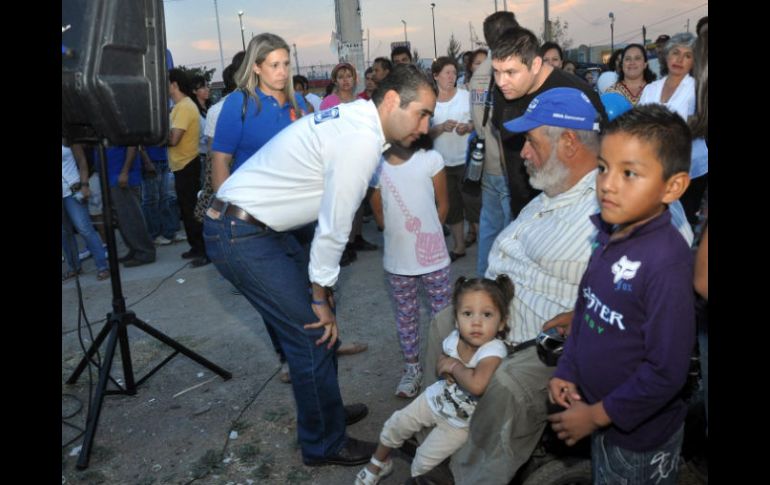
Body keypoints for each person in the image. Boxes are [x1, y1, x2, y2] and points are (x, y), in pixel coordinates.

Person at [420, 87, 693, 484]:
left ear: (568, 142)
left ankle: (469, 474)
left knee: (509, 384)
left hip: (546, 344)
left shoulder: (635, 211)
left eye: (531, 142)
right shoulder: (557, 192)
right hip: (510, 320)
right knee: (443, 322)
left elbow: (662, 339)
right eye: (605, 168)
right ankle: (439, 431)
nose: (523, 153)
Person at [203, 64, 437, 467]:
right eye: (422, 113)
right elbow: (334, 225)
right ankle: (324, 444)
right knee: (313, 331)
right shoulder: (361, 139)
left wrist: (322, 293)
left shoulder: (360, 120)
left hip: (260, 228)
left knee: (322, 328)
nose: (426, 126)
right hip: (240, 233)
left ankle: (325, 410)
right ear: (392, 101)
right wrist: (318, 296)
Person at [548, 103, 695, 485]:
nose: (607, 184)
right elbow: (586, 308)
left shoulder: (666, 263)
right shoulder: (610, 232)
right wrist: (568, 369)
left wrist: (595, 416)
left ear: (673, 187)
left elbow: (666, 372)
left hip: (639, 442)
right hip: (599, 415)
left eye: (629, 173)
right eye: (603, 168)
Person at [355, 275, 513, 485]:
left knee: (423, 464)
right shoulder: (455, 338)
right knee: (395, 424)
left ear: (501, 322)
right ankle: (378, 463)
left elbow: (477, 385)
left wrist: (454, 367)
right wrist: (446, 369)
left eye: (487, 314)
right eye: (467, 313)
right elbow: (441, 362)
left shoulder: (493, 351)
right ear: (456, 319)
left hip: (460, 424)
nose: (476, 322)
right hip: (434, 399)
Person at [490, 26, 607, 219]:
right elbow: (503, 141)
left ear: (536, 64)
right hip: (523, 208)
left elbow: (600, 152)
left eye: (510, 72)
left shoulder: (575, 92)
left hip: (571, 212)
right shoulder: (502, 91)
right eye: (496, 71)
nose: (501, 81)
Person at [369, 134, 451, 398]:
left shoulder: (431, 159)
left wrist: (428, 238)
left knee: (443, 316)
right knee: (406, 316)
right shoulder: (376, 167)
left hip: (434, 259)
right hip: (398, 262)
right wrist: (400, 238)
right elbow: (378, 213)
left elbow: (443, 204)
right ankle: (412, 369)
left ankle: (447, 369)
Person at [469, 10, 519, 277]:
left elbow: (477, 120)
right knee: (514, 234)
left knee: (489, 229)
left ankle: (483, 283)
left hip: (486, 163)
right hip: (508, 165)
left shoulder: (478, 73)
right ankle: (506, 285)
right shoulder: (509, 72)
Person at [428, 56, 476, 262]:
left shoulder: (466, 96)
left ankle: (482, 245)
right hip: (442, 165)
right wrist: (440, 128)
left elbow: (479, 123)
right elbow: (424, 134)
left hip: (467, 162)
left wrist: (469, 127)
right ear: (435, 76)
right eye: (447, 73)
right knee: (452, 207)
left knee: (474, 205)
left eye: (454, 72)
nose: (451, 76)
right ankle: (458, 246)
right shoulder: (429, 101)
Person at [168, 68, 208, 267]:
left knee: (192, 210)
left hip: (187, 164)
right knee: (186, 209)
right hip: (182, 164)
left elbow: (174, 139)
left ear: (174, 84)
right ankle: (195, 247)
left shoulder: (184, 107)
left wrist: (156, 134)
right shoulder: (180, 106)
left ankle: (203, 249)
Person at [62, 142, 110, 281]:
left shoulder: (67, 137)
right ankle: (74, 267)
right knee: (64, 233)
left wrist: (84, 184)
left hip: (73, 189)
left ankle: (102, 266)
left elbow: (82, 160)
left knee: (84, 228)